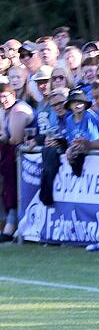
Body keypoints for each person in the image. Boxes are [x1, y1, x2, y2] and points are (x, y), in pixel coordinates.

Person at [0, 84, 34, 240]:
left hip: (20, 158)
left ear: (13, 95)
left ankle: (12, 226)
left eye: (5, 96)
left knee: (14, 190)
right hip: (9, 157)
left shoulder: (18, 109)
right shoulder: (4, 110)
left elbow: (15, 138)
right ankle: (7, 224)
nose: (2, 100)